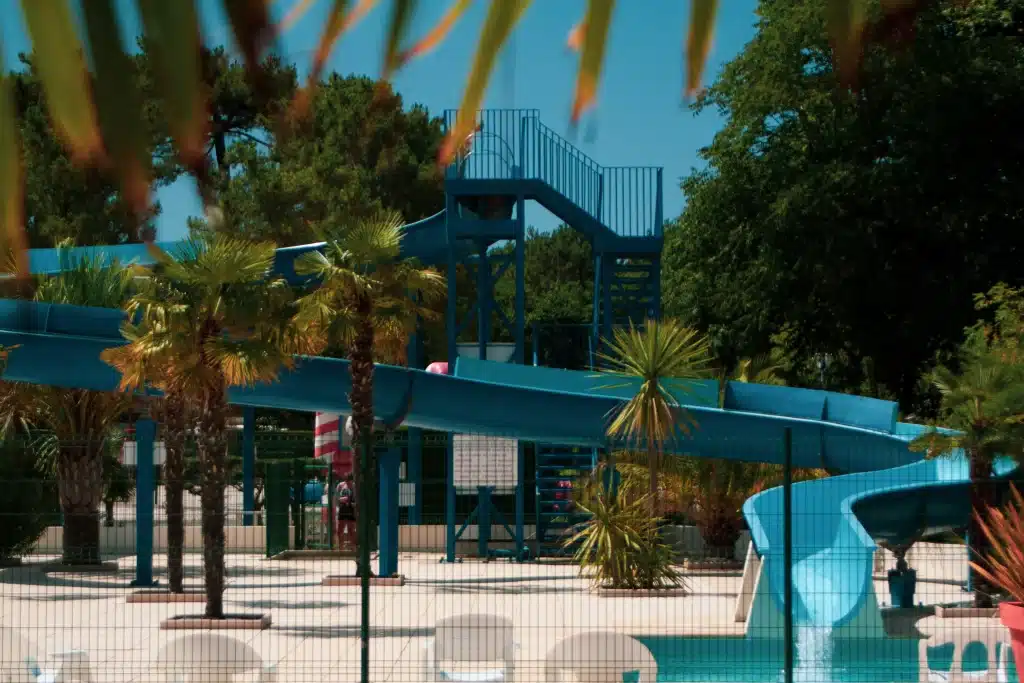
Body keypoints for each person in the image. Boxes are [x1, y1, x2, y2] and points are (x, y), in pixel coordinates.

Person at [336, 473, 357, 551]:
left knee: (351, 530)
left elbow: (357, 500)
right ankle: (341, 549)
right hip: (342, 510)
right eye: (346, 480)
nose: (347, 482)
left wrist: (351, 503)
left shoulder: (354, 486)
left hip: (351, 510)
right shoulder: (340, 485)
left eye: (349, 480)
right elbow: (336, 498)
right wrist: (341, 500)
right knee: (340, 530)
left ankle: (353, 548)